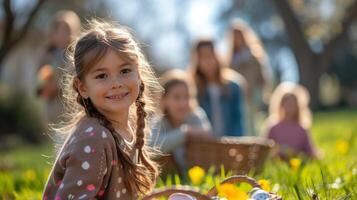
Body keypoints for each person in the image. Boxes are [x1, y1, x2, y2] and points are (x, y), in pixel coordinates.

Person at [42, 19, 163, 199]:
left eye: (124, 71)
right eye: (102, 75)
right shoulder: (94, 139)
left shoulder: (126, 129)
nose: (116, 84)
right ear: (82, 87)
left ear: (139, 74)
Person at [150, 69, 212, 174]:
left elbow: (208, 133)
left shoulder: (195, 115)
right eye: (176, 97)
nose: (183, 103)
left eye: (187, 96)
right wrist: (184, 133)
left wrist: (191, 132)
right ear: (164, 100)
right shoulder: (159, 122)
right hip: (168, 178)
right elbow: (151, 148)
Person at [189, 39, 246, 137]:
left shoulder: (233, 86)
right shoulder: (193, 88)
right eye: (202, 57)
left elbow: (239, 120)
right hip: (203, 145)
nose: (207, 61)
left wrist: (235, 141)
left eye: (210, 55)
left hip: (230, 143)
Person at [228, 19, 272, 136]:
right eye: (234, 37)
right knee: (243, 120)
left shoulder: (254, 53)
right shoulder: (231, 58)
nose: (237, 39)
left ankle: (255, 142)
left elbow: (261, 75)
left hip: (253, 92)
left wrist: (262, 91)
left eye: (239, 36)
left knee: (253, 120)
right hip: (238, 94)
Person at [37, 10, 81, 125]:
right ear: (51, 33)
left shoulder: (76, 54)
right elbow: (39, 78)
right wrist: (44, 87)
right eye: (57, 30)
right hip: (52, 105)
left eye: (66, 30)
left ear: (74, 31)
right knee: (56, 134)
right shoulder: (46, 54)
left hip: (71, 105)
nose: (61, 34)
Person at [266, 82, 318, 160]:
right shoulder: (273, 127)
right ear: (281, 105)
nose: (290, 106)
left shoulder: (302, 129)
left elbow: (311, 152)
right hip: (277, 165)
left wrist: (298, 154)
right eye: (287, 103)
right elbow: (265, 148)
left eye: (293, 103)